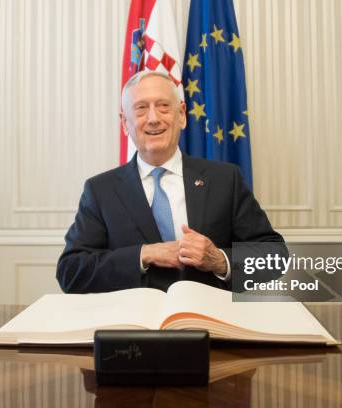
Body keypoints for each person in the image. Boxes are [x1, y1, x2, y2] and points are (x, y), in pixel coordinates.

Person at [57, 71, 286, 293]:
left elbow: (275, 257)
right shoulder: (100, 191)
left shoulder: (226, 179)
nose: (154, 118)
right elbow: (70, 272)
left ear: (182, 115)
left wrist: (220, 260)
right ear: (125, 123)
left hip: (210, 324)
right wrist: (143, 254)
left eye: (164, 106)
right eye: (141, 109)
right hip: (132, 328)